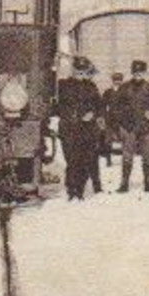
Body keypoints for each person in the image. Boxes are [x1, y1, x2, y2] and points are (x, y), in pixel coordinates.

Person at [54, 60, 101, 200]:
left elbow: (99, 105)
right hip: (69, 129)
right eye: (77, 71)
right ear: (73, 71)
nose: (80, 74)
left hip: (86, 130)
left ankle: (79, 190)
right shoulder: (62, 85)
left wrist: (92, 113)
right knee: (72, 161)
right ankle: (71, 189)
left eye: (83, 72)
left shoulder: (91, 86)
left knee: (84, 161)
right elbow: (58, 106)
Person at [112, 60, 149, 193]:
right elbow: (116, 107)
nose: (138, 75)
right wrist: (122, 122)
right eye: (136, 72)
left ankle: (148, 183)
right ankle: (124, 183)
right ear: (132, 73)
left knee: (148, 155)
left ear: (144, 73)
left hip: (146, 127)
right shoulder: (124, 87)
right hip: (129, 127)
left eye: (141, 72)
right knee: (127, 156)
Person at [96, 71, 122, 167]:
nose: (117, 82)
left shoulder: (125, 92)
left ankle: (125, 160)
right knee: (108, 140)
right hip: (110, 119)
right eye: (115, 80)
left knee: (125, 139)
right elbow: (102, 105)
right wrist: (103, 116)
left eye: (119, 80)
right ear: (112, 81)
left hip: (122, 120)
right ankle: (108, 160)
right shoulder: (108, 92)